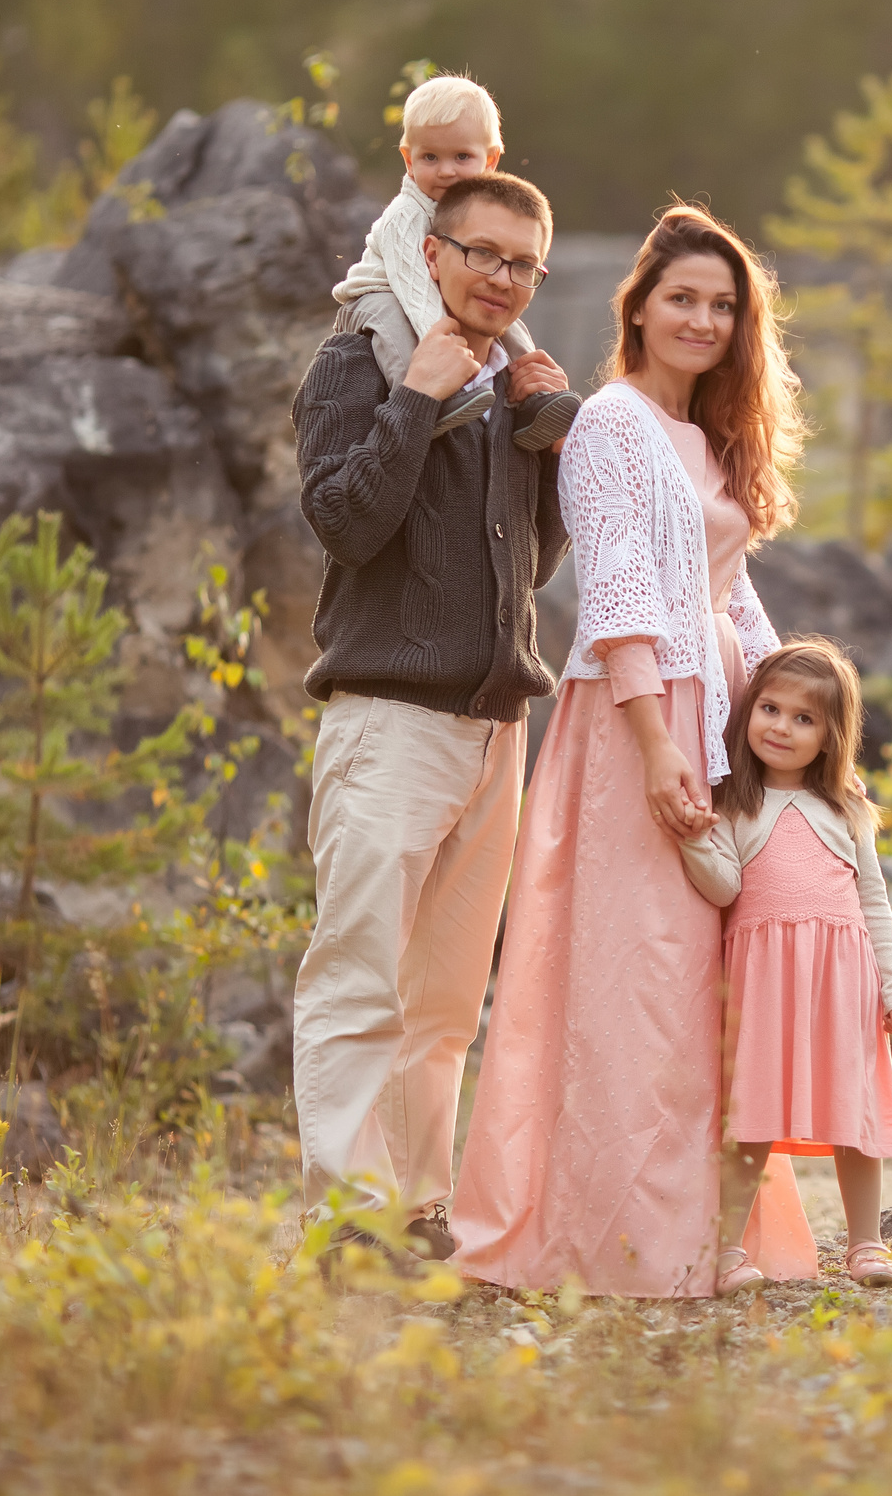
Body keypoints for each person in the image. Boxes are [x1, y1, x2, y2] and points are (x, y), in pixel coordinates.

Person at [453, 204, 819, 1298]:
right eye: (682, 300)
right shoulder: (611, 421)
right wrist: (658, 743)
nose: (702, 320)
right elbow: (612, 590)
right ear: (641, 310)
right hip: (636, 723)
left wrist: (795, 721)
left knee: (703, 982)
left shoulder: (714, 439)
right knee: (636, 978)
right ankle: (616, 1239)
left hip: (715, 715)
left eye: (722, 305)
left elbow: (730, 594)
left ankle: (706, 1232)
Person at [290, 170, 578, 1256]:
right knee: (358, 975)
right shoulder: (355, 362)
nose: (501, 277)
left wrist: (548, 440)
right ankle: (343, 1222)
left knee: (447, 1001)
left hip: (494, 727)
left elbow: (532, 566)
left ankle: (415, 1210)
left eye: (522, 264)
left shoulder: (509, 382)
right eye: (481, 253)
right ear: (431, 253)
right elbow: (344, 524)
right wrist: (414, 396)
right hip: (389, 718)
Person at [678, 640, 892, 1292]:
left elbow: (873, 900)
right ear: (749, 710)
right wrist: (694, 838)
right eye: (771, 709)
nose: (781, 727)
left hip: (843, 981)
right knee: (750, 1115)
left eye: (804, 718)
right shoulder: (735, 804)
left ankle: (866, 1242)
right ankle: (728, 1251)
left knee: (854, 1113)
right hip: (761, 983)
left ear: (831, 736)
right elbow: (724, 887)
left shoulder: (847, 808)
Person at [330, 72, 575, 445]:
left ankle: (535, 400)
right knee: (397, 334)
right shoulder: (405, 216)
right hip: (381, 294)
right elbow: (415, 291)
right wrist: (445, 355)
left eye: (462, 156)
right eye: (430, 157)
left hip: (431, 297)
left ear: (490, 159)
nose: (446, 171)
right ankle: (429, 400)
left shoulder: (481, 212)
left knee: (507, 322)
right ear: (408, 159)